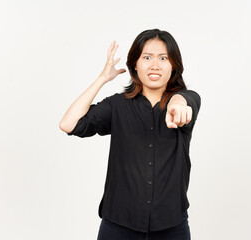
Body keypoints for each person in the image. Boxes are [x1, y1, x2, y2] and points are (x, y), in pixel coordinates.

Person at [59, 29, 201, 240]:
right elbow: (69, 124)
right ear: (135, 64)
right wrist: (102, 79)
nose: (155, 65)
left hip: (171, 224)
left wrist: (178, 103)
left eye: (163, 58)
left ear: (173, 66)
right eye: (147, 57)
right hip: (118, 224)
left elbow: (184, 100)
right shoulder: (117, 105)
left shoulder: (186, 100)